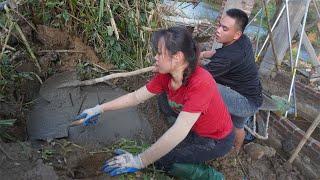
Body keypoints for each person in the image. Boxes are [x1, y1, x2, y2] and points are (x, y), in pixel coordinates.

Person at [75, 26, 234, 176]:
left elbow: (179, 130)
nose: (155, 57)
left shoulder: (202, 82)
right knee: (162, 150)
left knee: (164, 160)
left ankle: (212, 177)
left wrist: (139, 161)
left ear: (177, 57)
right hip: (195, 129)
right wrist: (98, 109)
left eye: (159, 53)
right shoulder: (166, 76)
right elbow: (135, 97)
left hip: (216, 138)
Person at [201, 8, 263, 152]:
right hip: (253, 96)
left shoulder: (228, 58)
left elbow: (202, 76)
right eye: (219, 25)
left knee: (203, 86)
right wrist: (204, 54)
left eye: (224, 29)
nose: (218, 30)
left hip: (245, 102)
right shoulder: (243, 41)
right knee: (238, 127)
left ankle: (204, 131)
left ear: (236, 34)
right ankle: (235, 152)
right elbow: (218, 53)